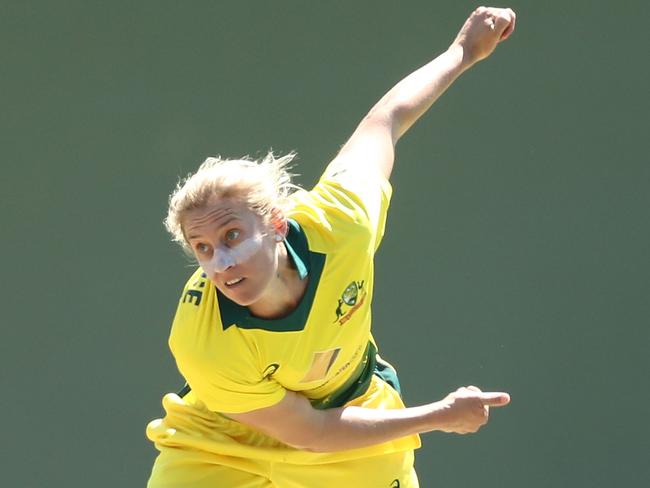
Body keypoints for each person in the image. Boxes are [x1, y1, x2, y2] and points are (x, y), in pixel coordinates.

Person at [146, 6, 516, 487]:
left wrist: (463, 52)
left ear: (277, 223)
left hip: (351, 416)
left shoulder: (341, 221)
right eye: (203, 248)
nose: (221, 261)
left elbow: (386, 121)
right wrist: (438, 415)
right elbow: (309, 432)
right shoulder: (202, 340)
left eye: (232, 236)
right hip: (220, 441)